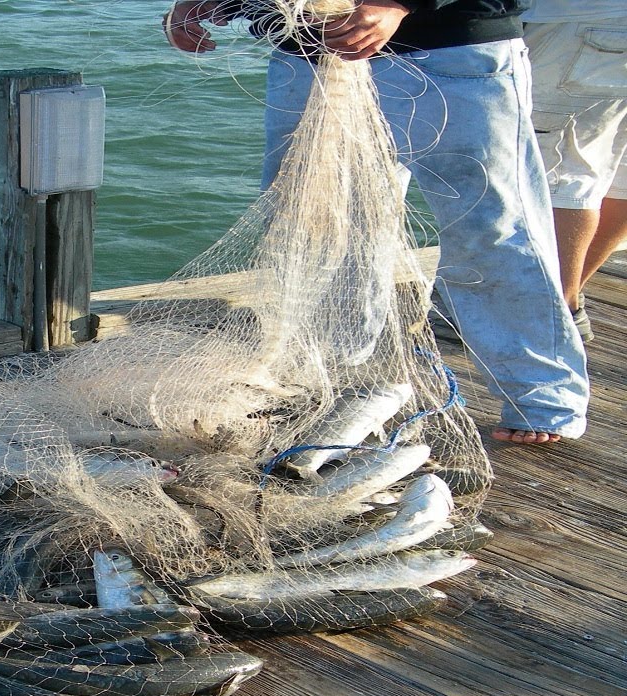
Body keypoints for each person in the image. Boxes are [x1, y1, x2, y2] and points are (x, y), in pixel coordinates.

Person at [163, 0, 589, 444]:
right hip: (308, 57)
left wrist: (397, 5)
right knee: (318, 228)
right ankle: (333, 379)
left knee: (491, 228)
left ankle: (542, 398)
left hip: (449, 50)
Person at [522, 0, 627, 343]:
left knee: (562, 173)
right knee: (616, 171)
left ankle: (554, 314)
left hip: (583, 22)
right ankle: (565, 300)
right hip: (601, 23)